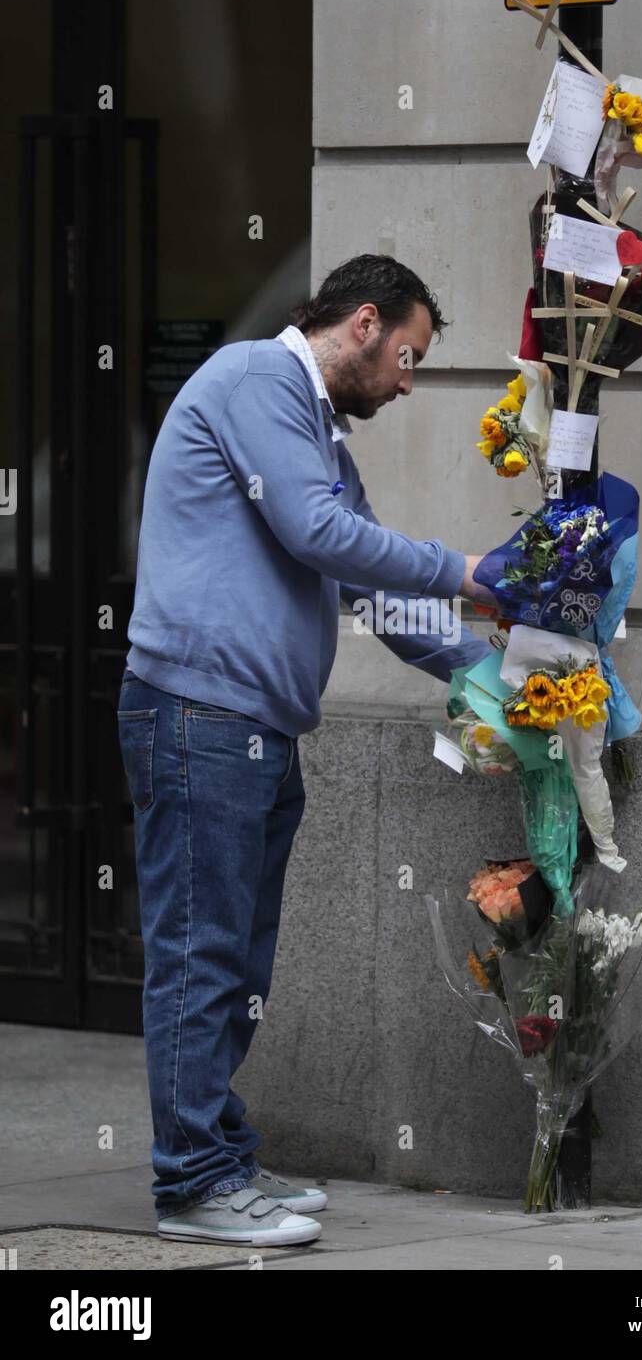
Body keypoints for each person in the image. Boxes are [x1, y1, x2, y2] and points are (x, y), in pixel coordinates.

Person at [117, 253, 496, 1247]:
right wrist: (466, 570)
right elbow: (319, 532)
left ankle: (220, 1150)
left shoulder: (313, 424)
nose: (409, 381)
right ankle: (192, 1184)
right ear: (364, 324)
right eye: (409, 356)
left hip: (252, 729)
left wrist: (486, 674)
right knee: (199, 953)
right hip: (198, 717)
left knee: (237, 958)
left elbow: (373, 585)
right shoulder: (254, 384)